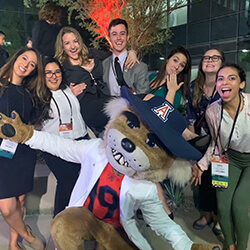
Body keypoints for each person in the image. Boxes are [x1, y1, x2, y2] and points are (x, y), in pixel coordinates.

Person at [192, 63, 250, 250]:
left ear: (242, 84)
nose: (225, 82)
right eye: (220, 78)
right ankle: (231, 245)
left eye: (232, 78)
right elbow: (216, 143)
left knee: (239, 206)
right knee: (223, 206)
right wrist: (202, 165)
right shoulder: (212, 111)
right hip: (229, 159)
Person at [0, 47, 51, 250]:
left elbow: (35, 123)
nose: (26, 65)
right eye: (24, 59)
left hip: (23, 152)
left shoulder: (31, 94)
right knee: (6, 206)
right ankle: (28, 236)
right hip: (2, 154)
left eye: (32, 65)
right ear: (15, 59)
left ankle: (14, 243)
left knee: (20, 200)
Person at [55, 26, 138, 136]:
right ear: (63, 47)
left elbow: (117, 56)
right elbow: (54, 93)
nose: (73, 46)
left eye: (75, 41)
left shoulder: (94, 54)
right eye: (67, 43)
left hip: (105, 96)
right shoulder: (62, 67)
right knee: (123, 104)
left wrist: (132, 52)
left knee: (133, 103)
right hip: (87, 106)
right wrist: (69, 93)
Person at [42, 58, 89, 216]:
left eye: (57, 72)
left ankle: (78, 221)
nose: (53, 76)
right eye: (48, 72)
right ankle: (60, 222)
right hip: (56, 146)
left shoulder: (68, 90)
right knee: (67, 183)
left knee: (82, 184)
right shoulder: (39, 97)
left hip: (80, 141)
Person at [187, 48, 225, 234]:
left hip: (222, 143)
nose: (210, 60)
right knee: (202, 179)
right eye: (206, 57)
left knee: (220, 181)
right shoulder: (194, 87)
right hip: (202, 140)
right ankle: (207, 214)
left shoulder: (226, 87)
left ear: (222, 63)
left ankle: (220, 217)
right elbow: (191, 118)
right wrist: (194, 146)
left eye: (215, 58)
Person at [102, 18, 150, 96]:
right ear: (109, 38)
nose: (118, 38)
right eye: (114, 34)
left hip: (130, 107)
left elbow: (143, 97)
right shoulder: (104, 64)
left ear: (127, 37)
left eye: (122, 33)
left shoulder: (140, 67)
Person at [149, 45, 191, 112]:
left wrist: (172, 91)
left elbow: (167, 114)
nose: (177, 66)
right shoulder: (152, 76)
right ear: (167, 60)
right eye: (175, 60)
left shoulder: (177, 91)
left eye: (182, 65)